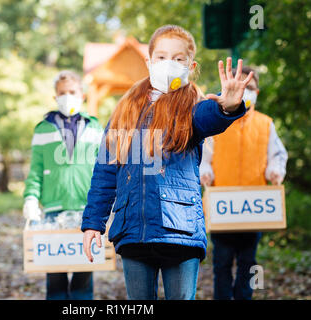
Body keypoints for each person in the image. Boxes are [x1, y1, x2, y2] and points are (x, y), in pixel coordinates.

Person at [81, 24, 255, 300]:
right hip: (132, 232)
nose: (168, 64)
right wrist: (93, 223)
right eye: (161, 57)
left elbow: (210, 117)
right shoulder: (124, 111)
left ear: (191, 65)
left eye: (178, 59)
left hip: (180, 232)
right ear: (149, 62)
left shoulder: (193, 107)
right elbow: (105, 171)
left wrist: (228, 106)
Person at [200, 66, 288, 300]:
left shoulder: (265, 124)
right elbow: (204, 157)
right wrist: (205, 171)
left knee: (248, 262)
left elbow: (278, 156)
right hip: (221, 208)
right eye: (241, 86)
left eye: (249, 87)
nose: (245, 91)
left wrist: (275, 171)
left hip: (253, 208)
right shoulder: (217, 123)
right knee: (222, 262)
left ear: (256, 91)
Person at [23, 70, 103, 300]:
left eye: (72, 92)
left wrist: (108, 202)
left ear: (82, 95)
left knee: (84, 274)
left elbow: (103, 171)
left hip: (86, 210)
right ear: (55, 97)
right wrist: (30, 198)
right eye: (62, 93)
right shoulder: (43, 129)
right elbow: (36, 170)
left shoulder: (96, 128)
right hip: (53, 211)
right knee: (55, 275)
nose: (67, 96)